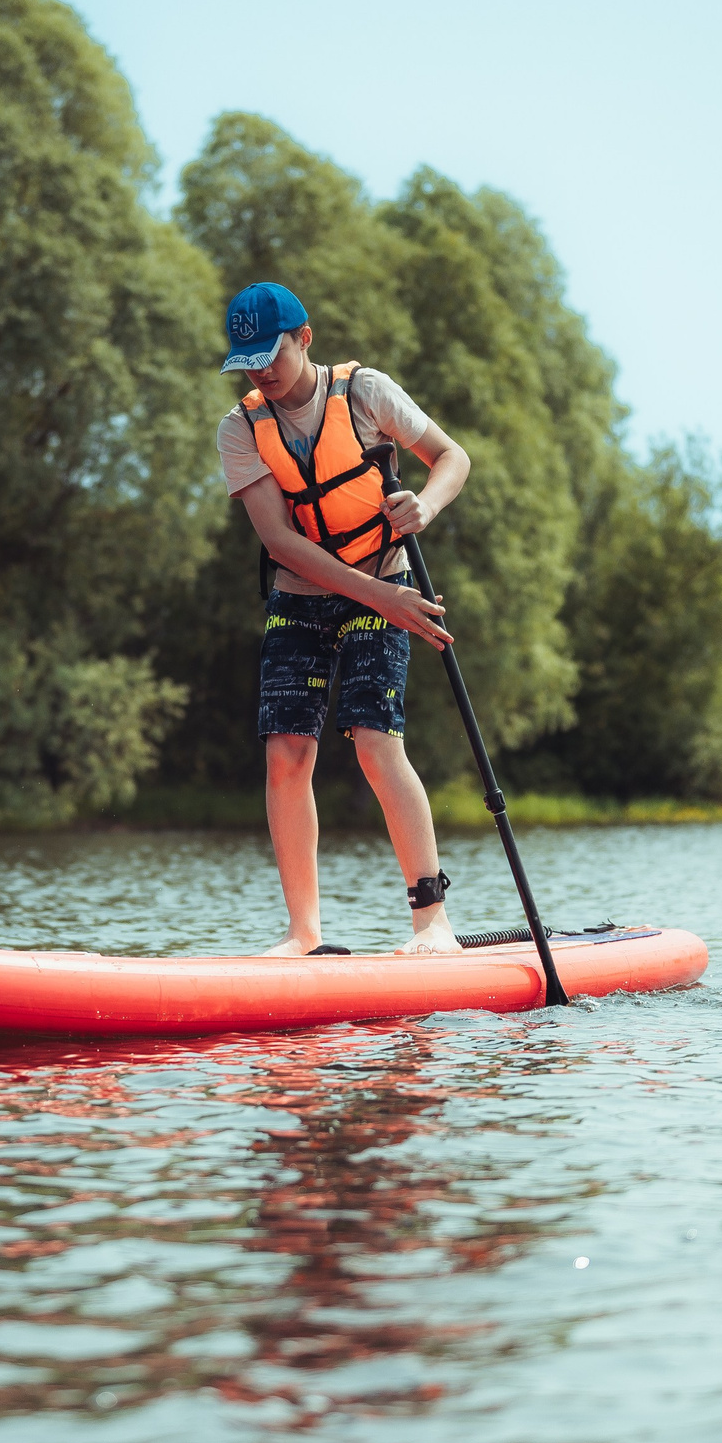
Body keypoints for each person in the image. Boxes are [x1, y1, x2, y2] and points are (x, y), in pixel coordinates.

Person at [216, 281, 473, 956]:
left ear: (304, 338)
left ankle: (431, 926)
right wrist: (377, 598)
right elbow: (279, 540)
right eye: (248, 359)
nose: (261, 370)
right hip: (304, 590)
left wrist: (428, 505)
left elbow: (452, 457)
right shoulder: (240, 429)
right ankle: (304, 935)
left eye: (271, 352)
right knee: (286, 752)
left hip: (388, 573)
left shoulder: (365, 394)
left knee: (373, 737)